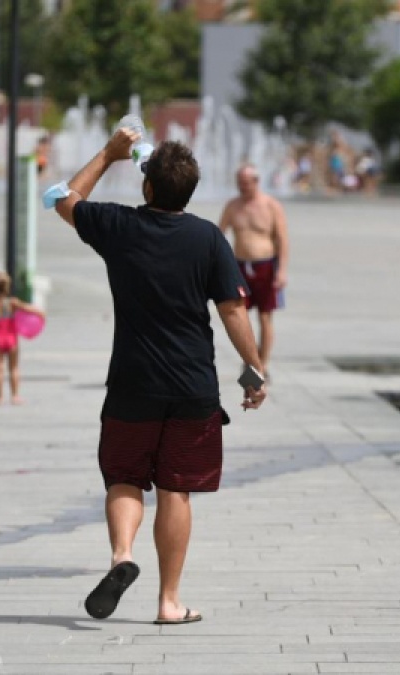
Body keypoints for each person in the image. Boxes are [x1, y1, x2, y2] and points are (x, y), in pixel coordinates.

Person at [51, 130, 266, 625]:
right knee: (176, 489)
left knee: (124, 477)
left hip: (132, 382)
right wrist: (253, 373)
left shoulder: (118, 225)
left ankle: (122, 556)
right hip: (193, 387)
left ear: (146, 187)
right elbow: (233, 310)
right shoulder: (208, 237)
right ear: (189, 192)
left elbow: (65, 199)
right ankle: (169, 602)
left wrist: (108, 153)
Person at [218, 164, 290, 376]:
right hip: (239, 267)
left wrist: (282, 270)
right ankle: (251, 360)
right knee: (240, 316)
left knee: (265, 317)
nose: (242, 188)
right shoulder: (232, 206)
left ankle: (263, 364)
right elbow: (219, 236)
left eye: (246, 183)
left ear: (256, 182)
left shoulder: (271, 206)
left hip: (266, 265)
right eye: (239, 183)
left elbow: (282, 240)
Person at [0, 271, 45, 405]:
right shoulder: (12, 303)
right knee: (14, 367)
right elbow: (29, 309)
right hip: (12, 338)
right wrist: (41, 314)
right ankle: (15, 396)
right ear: (7, 288)